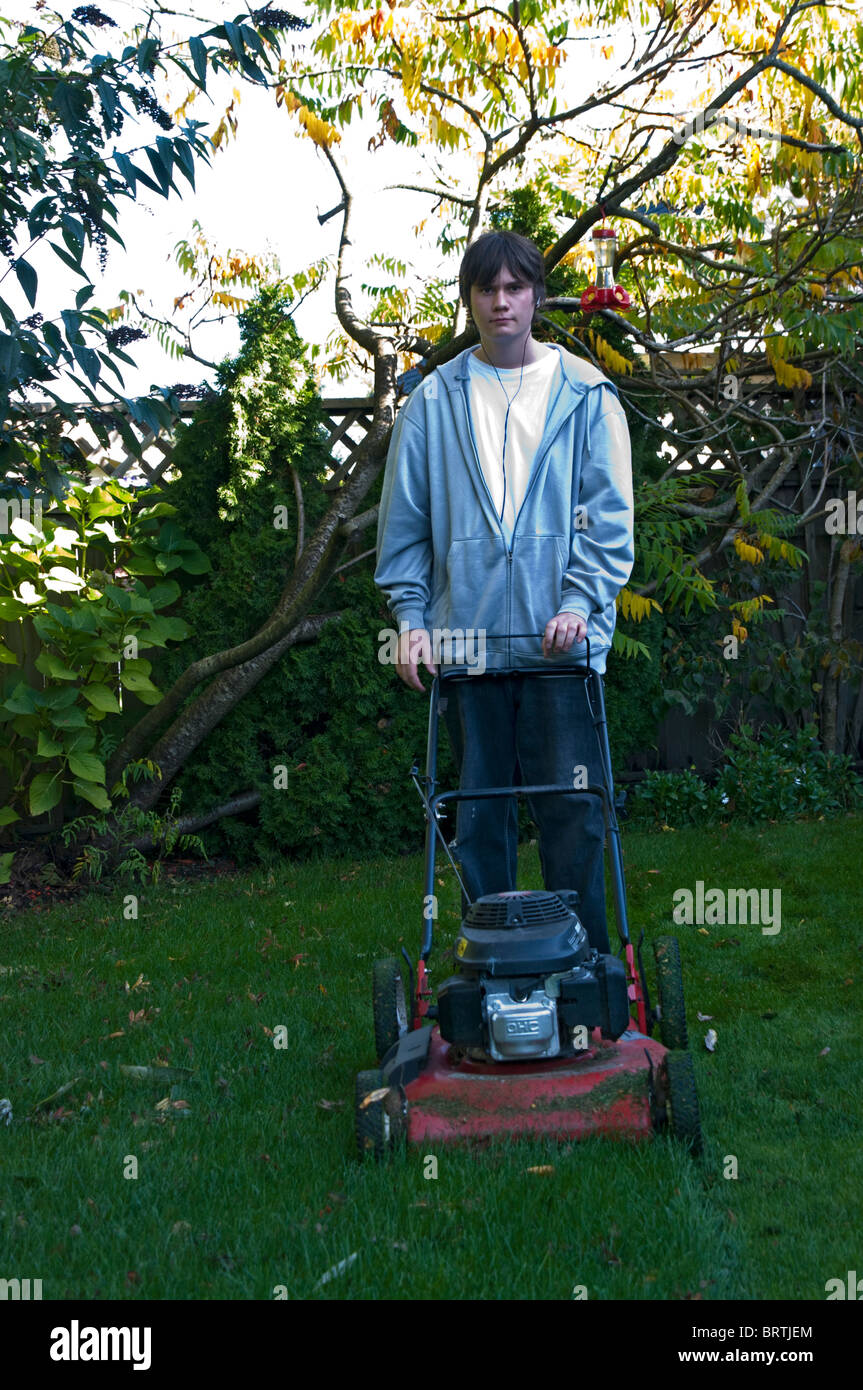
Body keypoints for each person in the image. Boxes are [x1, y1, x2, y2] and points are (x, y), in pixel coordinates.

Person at [374, 230, 634, 952]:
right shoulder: (433, 402)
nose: (499, 302)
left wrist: (579, 604)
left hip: (561, 645)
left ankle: (582, 967)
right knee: (479, 815)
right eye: (484, 289)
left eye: (513, 287)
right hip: (469, 645)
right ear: (469, 301)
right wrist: (411, 618)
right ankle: (487, 963)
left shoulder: (586, 395)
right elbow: (405, 525)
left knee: (571, 812)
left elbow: (608, 519)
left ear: (536, 296)